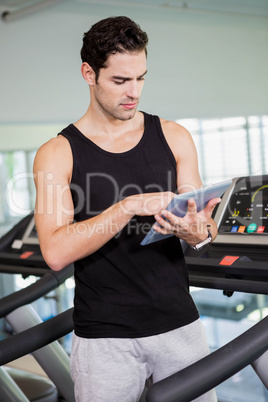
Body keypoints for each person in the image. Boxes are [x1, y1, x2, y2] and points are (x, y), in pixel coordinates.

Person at [34, 16, 219, 402]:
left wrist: (195, 232)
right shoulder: (57, 153)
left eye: (141, 78)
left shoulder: (174, 135)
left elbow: (204, 227)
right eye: (120, 81)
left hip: (179, 326)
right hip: (104, 339)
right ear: (89, 73)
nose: (133, 92)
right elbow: (54, 252)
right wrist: (128, 206)